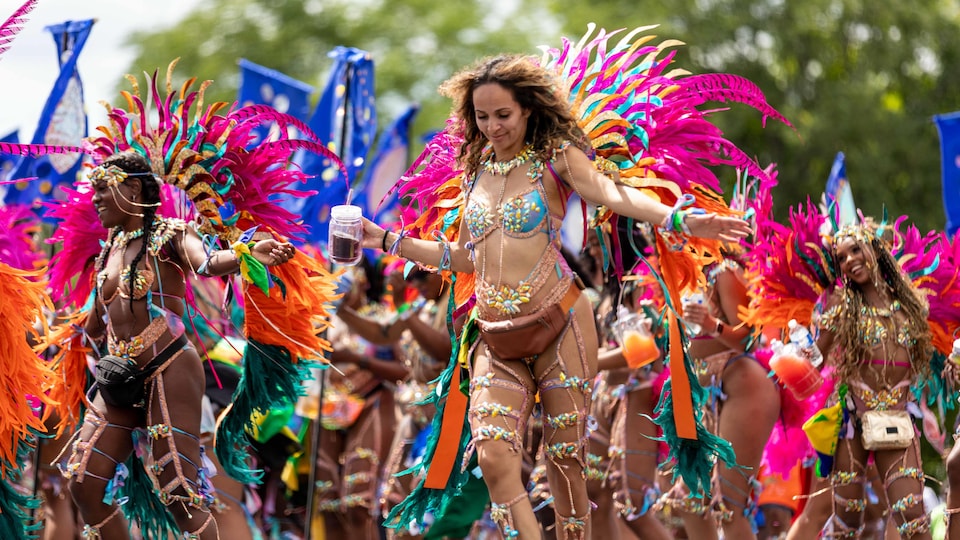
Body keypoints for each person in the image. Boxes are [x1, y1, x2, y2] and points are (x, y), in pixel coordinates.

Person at [360, 53, 751, 539]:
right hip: (494, 335)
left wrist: (679, 219)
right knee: (494, 455)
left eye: (503, 114)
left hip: (559, 325)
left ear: (527, 108)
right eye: (482, 117)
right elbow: (466, 257)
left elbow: (611, 194)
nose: (493, 126)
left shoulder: (556, 158)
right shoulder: (474, 172)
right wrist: (384, 239)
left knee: (565, 466)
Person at [58, 152, 296, 539]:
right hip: (119, 378)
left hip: (170, 369)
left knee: (179, 495)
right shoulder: (110, 249)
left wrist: (246, 253)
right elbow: (92, 326)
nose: (95, 199)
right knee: (84, 483)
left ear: (133, 187)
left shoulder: (171, 234)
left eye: (103, 189)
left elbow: (207, 263)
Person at [811, 222, 934, 539]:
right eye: (840, 258)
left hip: (896, 421)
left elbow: (934, 358)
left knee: (912, 517)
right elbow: (814, 359)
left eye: (855, 250)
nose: (849, 260)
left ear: (876, 251)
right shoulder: (842, 307)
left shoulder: (911, 306)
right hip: (853, 424)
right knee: (848, 524)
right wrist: (798, 347)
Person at [659, 253, 782, 540]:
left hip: (741, 384)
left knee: (726, 503)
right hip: (699, 391)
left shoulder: (723, 272)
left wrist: (710, 323)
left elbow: (750, 339)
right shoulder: (678, 274)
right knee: (689, 500)